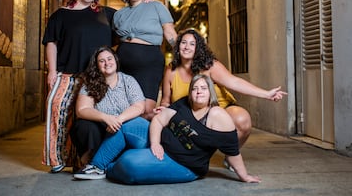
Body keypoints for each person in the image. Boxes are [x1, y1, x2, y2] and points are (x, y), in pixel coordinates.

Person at [74, 74, 261, 184]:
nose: (198, 92)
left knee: (129, 163)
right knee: (130, 124)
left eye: (203, 88)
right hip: (160, 143)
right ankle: (96, 167)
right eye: (195, 88)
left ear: (210, 92)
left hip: (183, 164)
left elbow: (232, 150)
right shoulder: (184, 103)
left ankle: (111, 167)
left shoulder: (220, 117)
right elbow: (158, 121)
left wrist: (244, 176)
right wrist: (155, 143)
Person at [160, 28, 287, 170]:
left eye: (192, 44)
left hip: (220, 109)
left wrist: (267, 94)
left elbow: (235, 82)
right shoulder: (171, 70)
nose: (187, 47)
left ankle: (231, 155)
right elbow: (166, 100)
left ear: (198, 48)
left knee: (242, 120)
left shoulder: (209, 65)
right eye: (183, 43)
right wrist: (163, 109)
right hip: (192, 115)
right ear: (178, 46)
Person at [42, 0, 116, 173]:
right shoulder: (61, 15)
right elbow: (51, 42)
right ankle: (57, 158)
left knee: (85, 120)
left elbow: (130, 17)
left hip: (96, 77)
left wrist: (146, 0)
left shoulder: (105, 13)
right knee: (56, 109)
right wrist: (51, 70)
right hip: (67, 74)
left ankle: (82, 160)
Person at [113, 0, 177, 120]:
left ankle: (148, 140)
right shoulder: (118, 15)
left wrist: (183, 55)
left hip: (149, 63)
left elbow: (169, 32)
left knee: (147, 110)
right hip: (123, 65)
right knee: (125, 108)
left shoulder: (156, 6)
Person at [69, 46, 146, 168]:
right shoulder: (90, 82)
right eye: (102, 61)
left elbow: (139, 106)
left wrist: (118, 120)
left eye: (110, 59)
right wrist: (106, 118)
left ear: (115, 60)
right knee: (83, 126)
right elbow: (82, 110)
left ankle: (104, 163)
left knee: (134, 125)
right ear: (96, 65)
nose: (107, 63)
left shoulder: (128, 80)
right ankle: (89, 160)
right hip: (101, 130)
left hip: (123, 127)